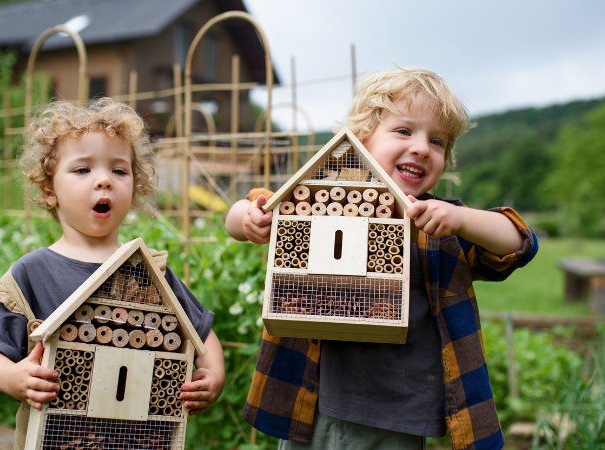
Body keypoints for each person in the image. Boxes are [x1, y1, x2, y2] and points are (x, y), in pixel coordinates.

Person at [225, 68, 538, 450]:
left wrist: (461, 218)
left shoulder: (439, 223)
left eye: (437, 141)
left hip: (399, 415)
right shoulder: (327, 198)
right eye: (404, 131)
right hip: (316, 402)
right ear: (362, 140)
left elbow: (520, 241)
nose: (422, 148)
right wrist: (248, 220)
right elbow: (244, 210)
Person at [0, 98, 225, 448]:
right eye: (83, 170)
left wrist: (214, 375)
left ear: (135, 186)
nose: (104, 181)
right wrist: (12, 376)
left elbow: (201, 334)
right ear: (49, 190)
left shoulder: (146, 269)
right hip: (58, 439)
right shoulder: (33, 272)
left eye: (119, 171)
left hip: (142, 438)